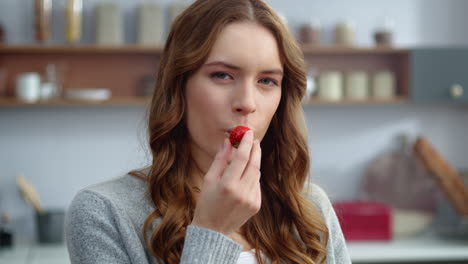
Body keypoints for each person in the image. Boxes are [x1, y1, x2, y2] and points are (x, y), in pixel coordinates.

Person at [65, 0, 351, 263]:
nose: (247, 104)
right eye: (222, 75)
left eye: (266, 80)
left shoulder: (310, 207)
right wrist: (212, 232)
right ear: (179, 87)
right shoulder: (104, 213)